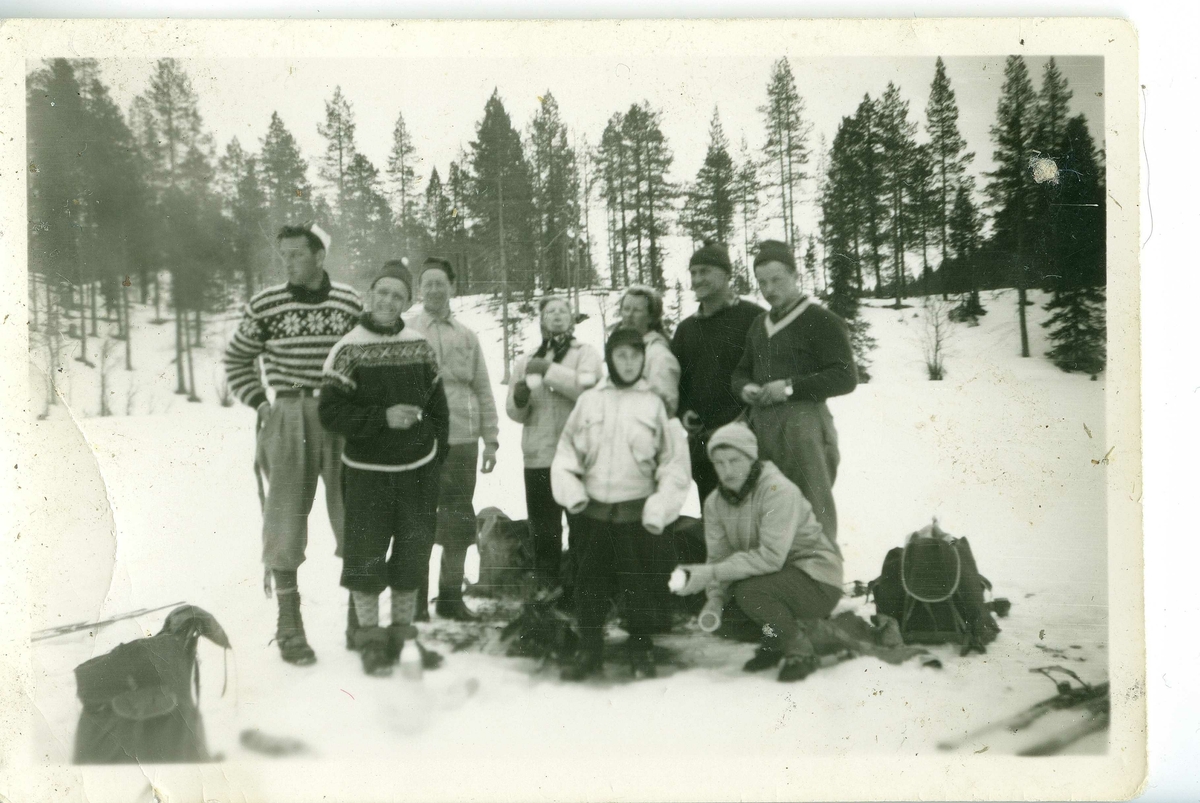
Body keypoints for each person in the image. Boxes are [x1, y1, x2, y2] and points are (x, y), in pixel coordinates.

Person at [223, 223, 362, 666]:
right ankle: (289, 625)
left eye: (297, 255)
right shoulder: (266, 304)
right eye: (283, 255)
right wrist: (261, 403)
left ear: (320, 257)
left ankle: (362, 620)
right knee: (283, 519)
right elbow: (237, 358)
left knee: (355, 513)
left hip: (340, 415)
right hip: (288, 416)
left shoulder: (348, 301)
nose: (288, 262)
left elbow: (365, 353)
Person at [319, 261, 449, 676]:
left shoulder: (420, 346)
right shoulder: (348, 349)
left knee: (412, 552)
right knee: (366, 554)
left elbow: (439, 410)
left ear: (407, 301)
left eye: (398, 295)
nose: (389, 301)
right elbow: (331, 411)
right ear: (370, 295)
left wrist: (433, 456)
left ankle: (401, 634)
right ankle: (371, 639)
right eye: (383, 292)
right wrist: (381, 418)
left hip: (416, 471)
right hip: (366, 472)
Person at [551, 327, 691, 680]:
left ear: (643, 359)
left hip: (637, 514)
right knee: (589, 584)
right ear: (610, 358)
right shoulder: (589, 401)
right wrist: (573, 494)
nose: (628, 363)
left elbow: (673, 464)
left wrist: (660, 507)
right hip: (592, 512)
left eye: (635, 356)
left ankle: (641, 649)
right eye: (621, 355)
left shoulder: (655, 404)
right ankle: (590, 649)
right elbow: (566, 453)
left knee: (640, 585)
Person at [672, 422, 843, 683]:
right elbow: (718, 558)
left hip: (816, 579)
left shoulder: (777, 490)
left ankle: (800, 649)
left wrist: (709, 574)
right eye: (718, 463)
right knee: (725, 618)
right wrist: (715, 600)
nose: (726, 470)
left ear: (751, 459)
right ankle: (776, 639)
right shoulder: (715, 503)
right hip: (772, 579)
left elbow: (771, 557)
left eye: (734, 460)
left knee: (752, 593)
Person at [731, 240, 857, 546]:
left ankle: (820, 580)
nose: (769, 289)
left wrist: (789, 387)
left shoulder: (820, 319)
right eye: (762, 282)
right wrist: (745, 387)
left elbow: (845, 377)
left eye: (777, 280)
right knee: (766, 509)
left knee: (812, 509)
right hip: (762, 427)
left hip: (805, 429)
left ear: (795, 275)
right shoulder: (759, 324)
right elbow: (740, 372)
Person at [405, 257, 499, 621]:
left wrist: (490, 439)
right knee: (416, 519)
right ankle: (413, 602)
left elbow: (484, 389)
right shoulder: (406, 330)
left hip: (462, 439)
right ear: (419, 289)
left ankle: (449, 598)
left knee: (459, 521)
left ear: (452, 288)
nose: (433, 289)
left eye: (440, 283)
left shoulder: (467, 336)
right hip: (418, 439)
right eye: (427, 283)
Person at [505, 295, 602, 592]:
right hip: (539, 456)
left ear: (572, 319)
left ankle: (583, 593)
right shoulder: (525, 359)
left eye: (563, 311)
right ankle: (547, 590)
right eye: (550, 312)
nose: (557, 316)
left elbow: (587, 390)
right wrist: (520, 398)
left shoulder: (585, 353)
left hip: (577, 457)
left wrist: (547, 371)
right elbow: (513, 411)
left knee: (582, 529)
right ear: (542, 320)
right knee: (544, 530)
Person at [671, 241, 765, 511]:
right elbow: (678, 383)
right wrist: (684, 410)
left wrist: (749, 418)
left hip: (748, 439)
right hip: (704, 444)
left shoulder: (753, 317)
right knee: (715, 518)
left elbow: (766, 373)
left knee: (752, 519)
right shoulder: (686, 329)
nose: (697, 279)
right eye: (693, 273)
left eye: (704, 271)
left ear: (726, 274)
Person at [617, 284, 681, 417]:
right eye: (626, 309)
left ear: (651, 317)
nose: (629, 315)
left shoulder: (658, 355)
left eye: (637, 310)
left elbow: (665, 409)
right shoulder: (624, 350)